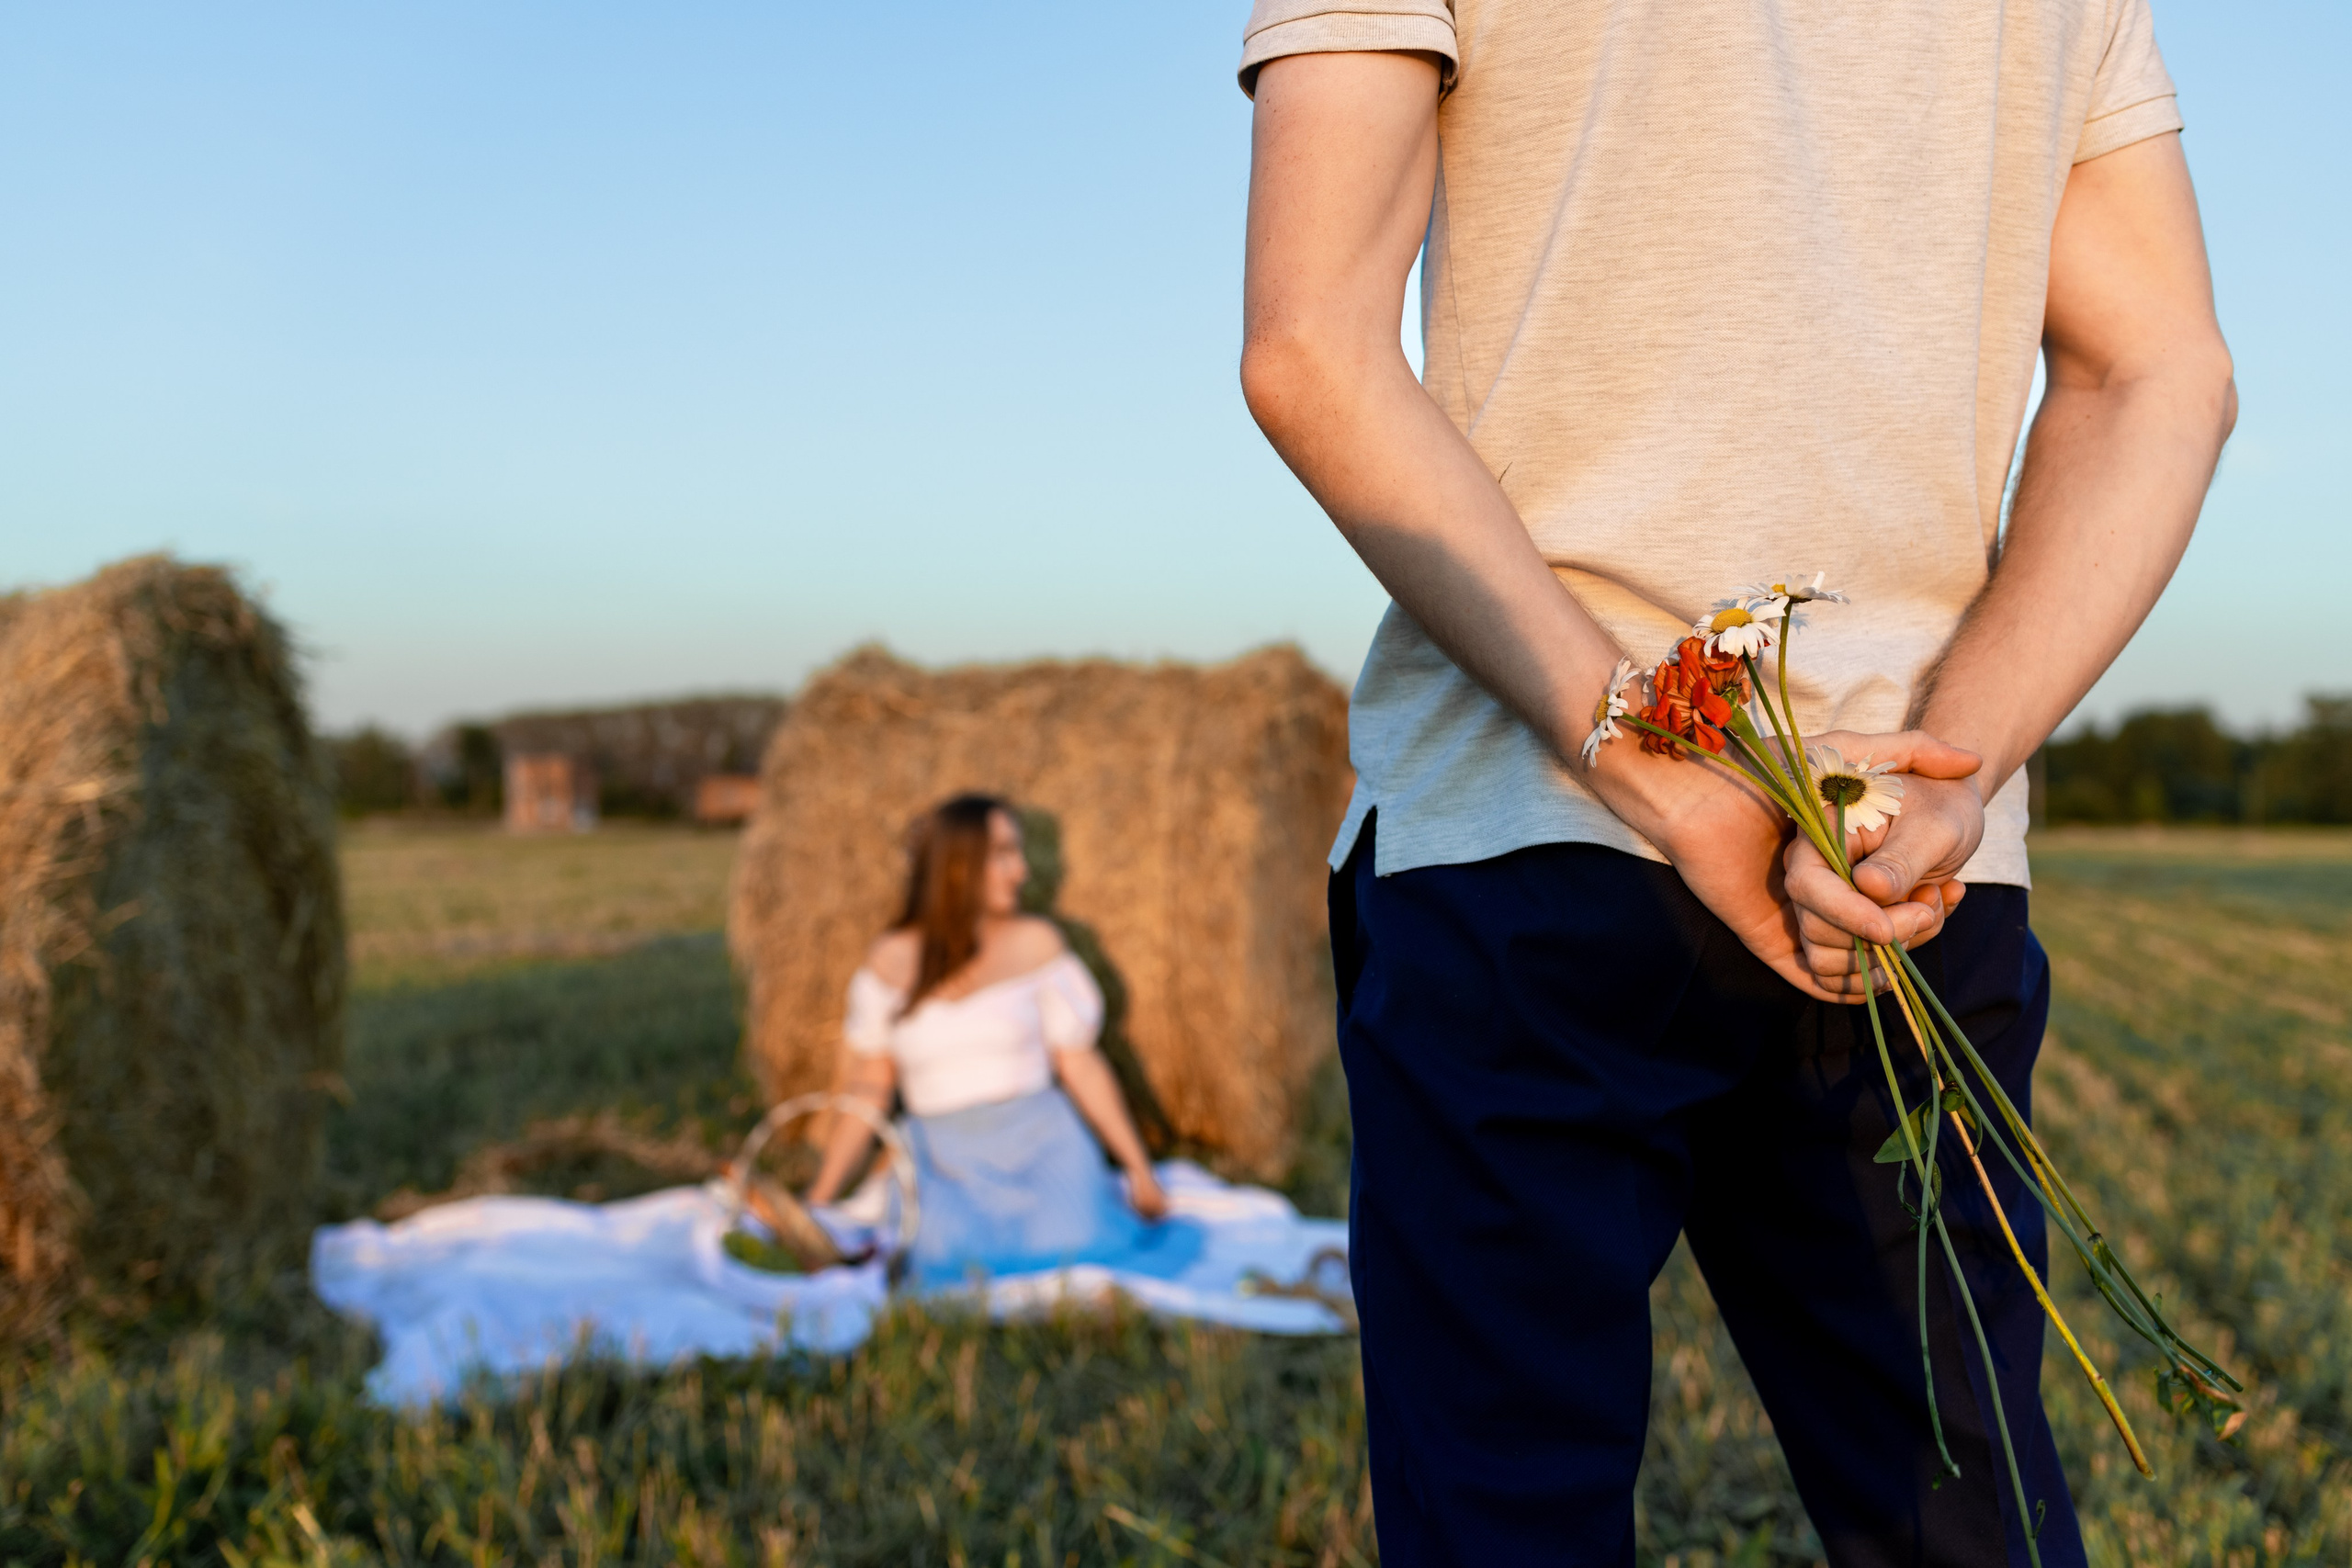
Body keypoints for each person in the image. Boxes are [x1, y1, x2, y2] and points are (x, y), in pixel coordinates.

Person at [1237, 1, 2233, 1562]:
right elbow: (2156, 375)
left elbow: (1312, 346)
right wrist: (1949, 772)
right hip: (1900, 868)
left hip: (1530, 836)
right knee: (1962, 1521)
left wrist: (1642, 764)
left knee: (1507, 1522)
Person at [804, 794, 1199, 1288]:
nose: (1022, 871)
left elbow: (1081, 1065)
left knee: (1073, 1250)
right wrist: (818, 1200)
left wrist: (1140, 1171)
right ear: (956, 865)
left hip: (1041, 1142)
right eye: (1005, 853)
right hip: (942, 1154)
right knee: (940, 1259)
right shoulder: (889, 960)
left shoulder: (1038, 944)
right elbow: (869, 1088)